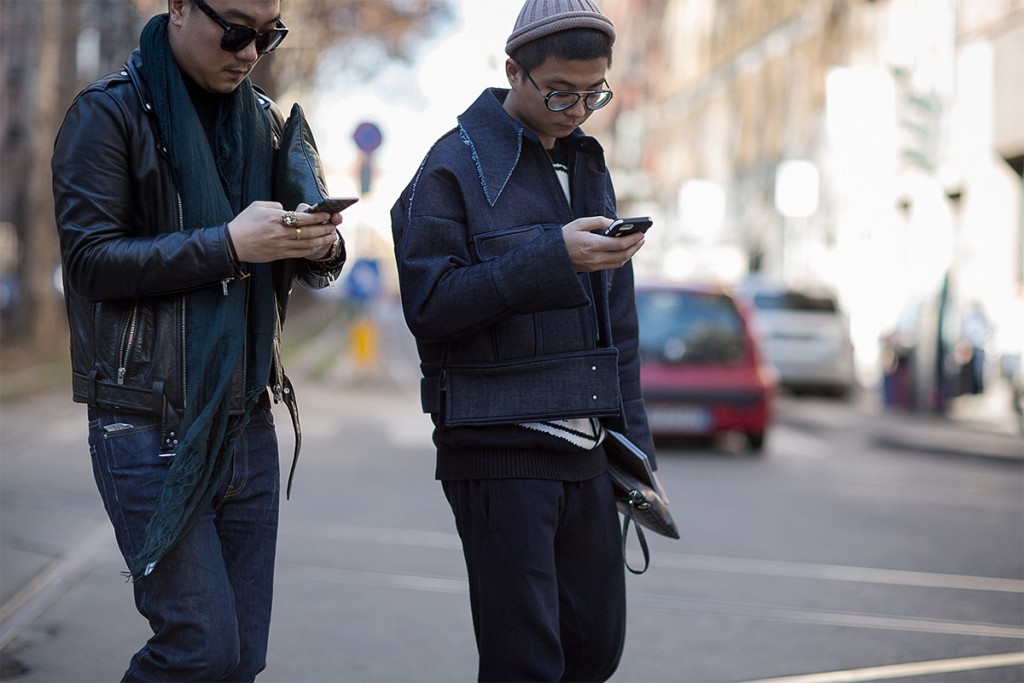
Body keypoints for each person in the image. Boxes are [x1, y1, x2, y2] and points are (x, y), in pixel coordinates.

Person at [51, 1, 346, 680]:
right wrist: (227, 246)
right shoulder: (107, 113)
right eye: (236, 29)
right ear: (180, 6)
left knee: (240, 658)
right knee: (198, 648)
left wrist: (320, 243)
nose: (250, 51)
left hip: (248, 420)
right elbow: (92, 263)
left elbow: (311, 262)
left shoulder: (267, 122)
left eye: (269, 35)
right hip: (146, 419)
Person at [390, 0, 652, 680]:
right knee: (525, 663)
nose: (576, 109)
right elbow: (430, 304)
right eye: (560, 90)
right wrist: (551, 258)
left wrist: (636, 453)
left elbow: (617, 322)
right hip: (497, 449)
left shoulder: (589, 164)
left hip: (588, 452)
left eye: (594, 93)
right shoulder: (451, 166)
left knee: (594, 651)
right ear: (514, 69)